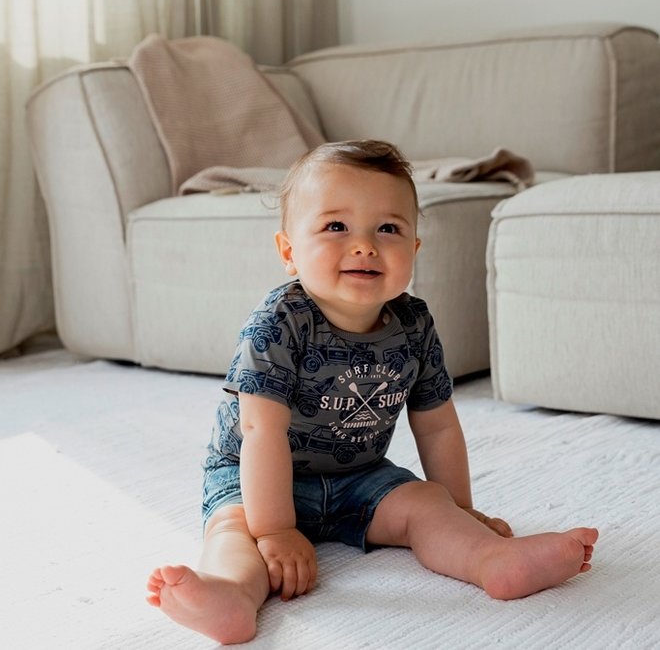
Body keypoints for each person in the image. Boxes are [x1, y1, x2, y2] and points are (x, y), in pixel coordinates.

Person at [146, 140, 598, 645]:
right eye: (336, 226)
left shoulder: (413, 324)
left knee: (427, 504)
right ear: (289, 251)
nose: (364, 245)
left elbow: (438, 423)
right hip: (254, 472)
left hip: (358, 475)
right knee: (235, 532)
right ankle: (229, 595)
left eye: (388, 228)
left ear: (414, 250)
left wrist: (461, 508)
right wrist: (274, 530)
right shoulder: (279, 323)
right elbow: (259, 430)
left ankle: (491, 561)